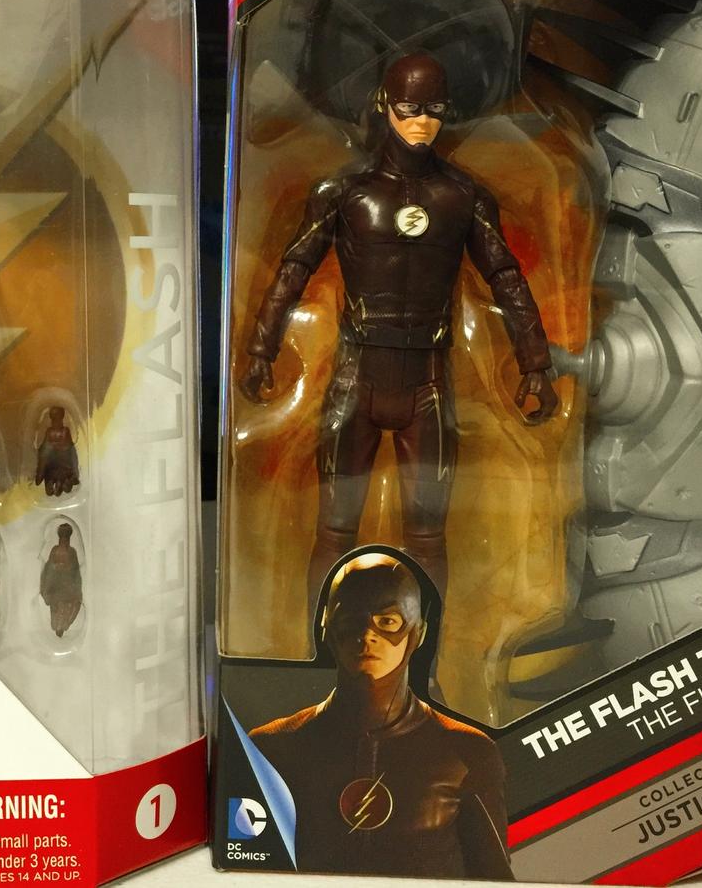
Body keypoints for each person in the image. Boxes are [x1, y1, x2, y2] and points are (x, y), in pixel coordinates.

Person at [240, 52, 557, 607]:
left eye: (434, 109)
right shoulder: (343, 192)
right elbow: (294, 268)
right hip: (355, 379)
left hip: (428, 384)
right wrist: (262, 349)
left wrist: (535, 362)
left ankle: (426, 649)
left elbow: (505, 277)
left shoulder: (464, 196)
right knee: (334, 530)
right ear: (384, 104)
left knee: (428, 536)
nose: (422, 122)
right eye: (410, 108)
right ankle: (319, 647)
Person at [251, 552, 513, 879]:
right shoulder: (270, 749)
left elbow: (495, 881)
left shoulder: (469, 753)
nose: (367, 635)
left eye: (387, 621)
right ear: (327, 626)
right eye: (352, 619)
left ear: (418, 632)